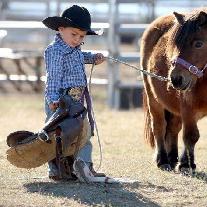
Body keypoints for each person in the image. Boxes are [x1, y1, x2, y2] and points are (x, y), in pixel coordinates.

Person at [42, 5, 106, 181]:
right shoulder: (54, 51)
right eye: (74, 34)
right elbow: (53, 77)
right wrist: (53, 99)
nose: (77, 40)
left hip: (76, 100)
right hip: (60, 99)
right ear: (61, 29)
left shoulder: (74, 48)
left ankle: (84, 167)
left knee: (82, 132)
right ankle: (57, 170)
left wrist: (93, 57)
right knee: (58, 136)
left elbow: (79, 56)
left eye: (82, 36)